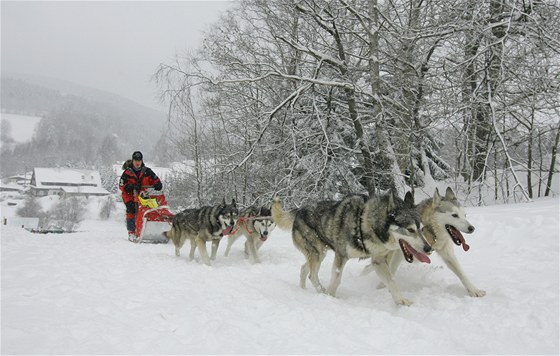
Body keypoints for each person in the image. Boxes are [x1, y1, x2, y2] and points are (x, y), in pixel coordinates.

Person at [119, 151, 163, 242]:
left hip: (142, 195)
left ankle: (145, 229)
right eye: (135, 160)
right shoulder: (127, 173)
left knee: (148, 210)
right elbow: (121, 185)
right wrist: (131, 187)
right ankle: (131, 232)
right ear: (133, 161)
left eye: (139, 160)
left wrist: (158, 184)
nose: (137, 162)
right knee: (131, 210)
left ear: (142, 161)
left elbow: (155, 179)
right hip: (129, 196)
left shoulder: (147, 171)